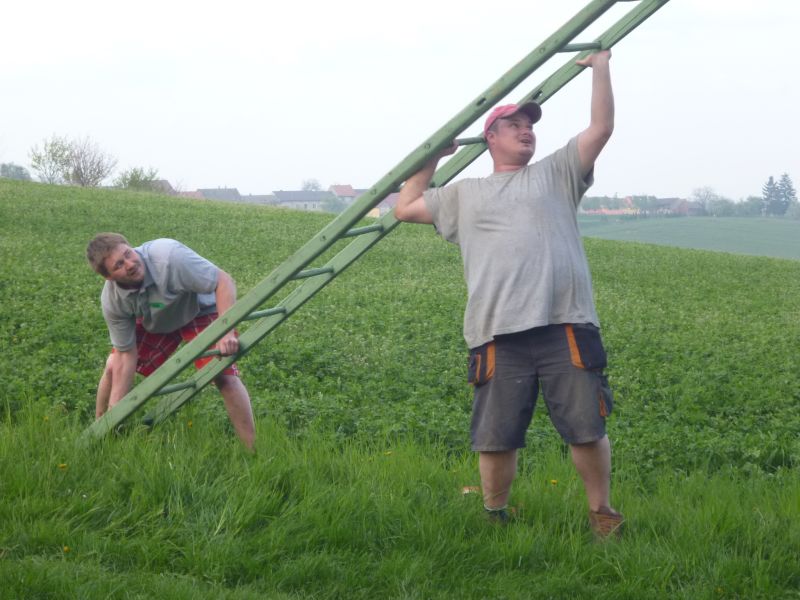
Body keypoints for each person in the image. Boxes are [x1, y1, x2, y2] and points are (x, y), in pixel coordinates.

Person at [394, 50, 622, 537]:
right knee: (496, 435)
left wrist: (600, 67)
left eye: (530, 125)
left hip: (565, 323)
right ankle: (495, 515)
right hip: (496, 331)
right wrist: (435, 157)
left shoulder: (557, 173)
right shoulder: (463, 193)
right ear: (491, 137)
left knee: (586, 426)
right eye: (514, 124)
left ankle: (602, 514)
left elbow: (601, 129)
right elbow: (405, 207)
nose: (526, 130)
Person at [86, 233, 256, 450]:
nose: (129, 264)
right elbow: (125, 354)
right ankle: (101, 430)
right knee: (113, 365)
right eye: (118, 265)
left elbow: (223, 281)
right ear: (108, 277)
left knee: (223, 374)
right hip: (158, 320)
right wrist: (116, 410)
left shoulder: (168, 256)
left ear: (130, 246)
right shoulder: (112, 300)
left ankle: (252, 450)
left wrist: (226, 332)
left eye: (128, 254)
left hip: (199, 310)